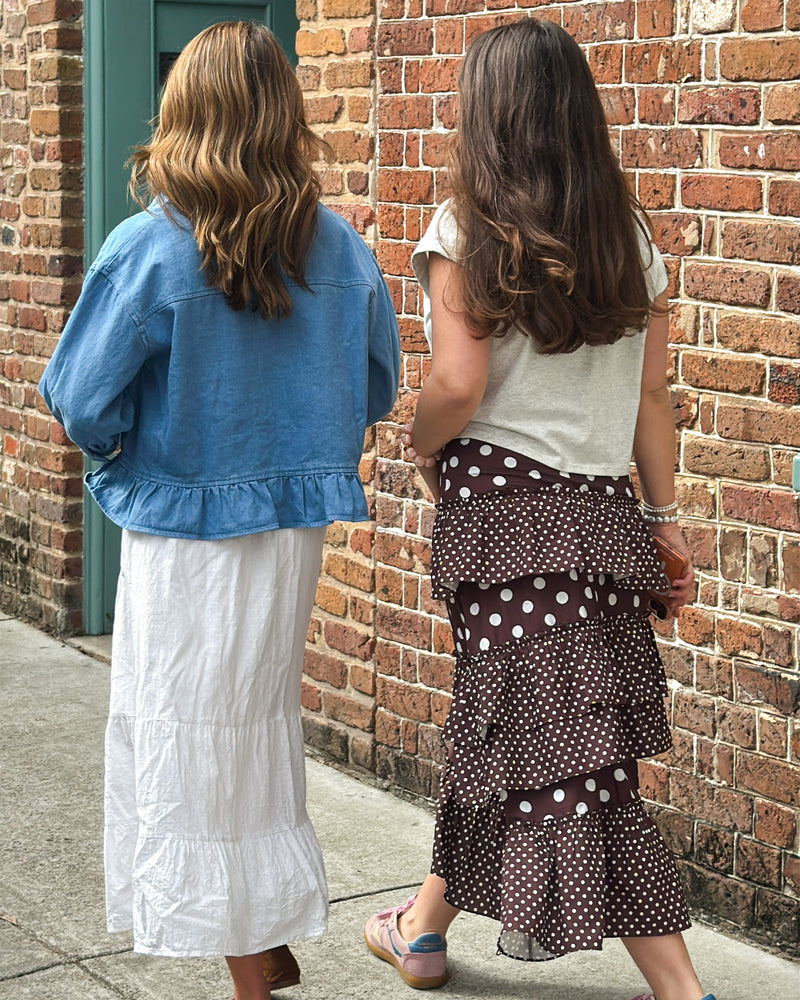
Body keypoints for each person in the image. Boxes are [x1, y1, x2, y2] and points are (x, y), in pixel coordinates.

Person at [39, 21, 399, 1000]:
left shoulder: (150, 246)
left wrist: (132, 453)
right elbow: (373, 384)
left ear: (182, 112)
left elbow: (77, 399)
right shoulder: (337, 246)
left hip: (187, 527)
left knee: (189, 729)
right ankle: (262, 932)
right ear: (283, 116)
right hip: (289, 526)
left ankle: (248, 962)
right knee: (250, 722)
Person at [363, 18, 716, 1000]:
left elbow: (458, 381)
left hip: (501, 513)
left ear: (488, 112)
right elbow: (650, 398)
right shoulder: (628, 236)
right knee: (522, 729)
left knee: (562, 751)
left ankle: (682, 990)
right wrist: (661, 515)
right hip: (601, 512)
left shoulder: (464, 231)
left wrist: (416, 437)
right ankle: (419, 931)